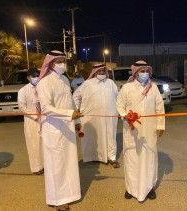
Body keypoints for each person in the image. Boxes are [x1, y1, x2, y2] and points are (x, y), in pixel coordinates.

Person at [36, 50, 83, 211]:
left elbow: (69, 102)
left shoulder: (64, 79)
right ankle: (57, 199)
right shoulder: (44, 83)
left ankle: (70, 193)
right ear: (50, 63)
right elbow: (46, 108)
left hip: (67, 127)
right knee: (56, 164)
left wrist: (76, 120)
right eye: (59, 61)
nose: (62, 64)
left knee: (68, 162)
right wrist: (70, 115)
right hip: (54, 129)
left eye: (64, 61)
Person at [116, 60, 165, 202]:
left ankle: (149, 188)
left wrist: (160, 125)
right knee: (132, 158)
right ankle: (131, 188)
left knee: (149, 158)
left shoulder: (153, 87)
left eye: (146, 71)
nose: (144, 74)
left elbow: (159, 107)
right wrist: (126, 116)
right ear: (135, 73)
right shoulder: (126, 88)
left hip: (150, 129)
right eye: (141, 71)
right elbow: (119, 105)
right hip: (132, 130)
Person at [73, 64, 120, 168]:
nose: (102, 72)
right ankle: (94, 156)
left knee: (110, 136)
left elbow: (118, 97)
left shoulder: (111, 83)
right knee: (94, 136)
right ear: (94, 72)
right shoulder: (87, 84)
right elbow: (76, 96)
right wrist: (77, 109)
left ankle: (112, 157)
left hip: (110, 116)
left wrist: (120, 110)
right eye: (99, 71)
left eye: (103, 70)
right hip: (92, 117)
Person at [17, 68, 44, 175]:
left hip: (45, 119)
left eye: (38, 75)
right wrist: (35, 116)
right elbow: (22, 107)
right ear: (28, 77)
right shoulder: (23, 91)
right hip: (32, 121)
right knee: (34, 144)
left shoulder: (42, 88)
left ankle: (45, 165)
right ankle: (36, 168)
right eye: (33, 76)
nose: (36, 78)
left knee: (44, 143)